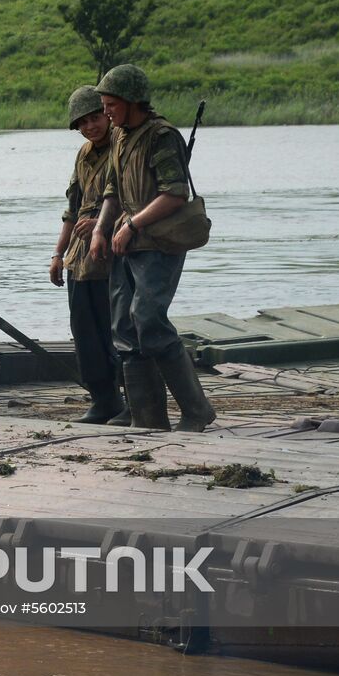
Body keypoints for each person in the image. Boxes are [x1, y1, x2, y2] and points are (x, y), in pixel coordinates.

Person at [88, 65, 215, 432]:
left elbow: (174, 193)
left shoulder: (161, 136)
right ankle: (147, 419)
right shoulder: (121, 136)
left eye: (112, 104)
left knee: (148, 320)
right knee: (124, 328)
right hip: (126, 244)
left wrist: (132, 223)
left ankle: (196, 410)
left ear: (131, 102)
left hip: (159, 243)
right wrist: (100, 229)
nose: (107, 111)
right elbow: (112, 190)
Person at [50, 86, 125, 424]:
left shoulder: (124, 147)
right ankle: (102, 400)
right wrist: (57, 254)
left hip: (114, 251)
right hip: (80, 258)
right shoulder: (83, 154)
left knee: (116, 330)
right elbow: (71, 208)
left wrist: (101, 223)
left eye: (96, 118)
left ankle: (129, 399)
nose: (91, 126)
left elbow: (134, 199)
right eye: (83, 122)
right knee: (84, 331)